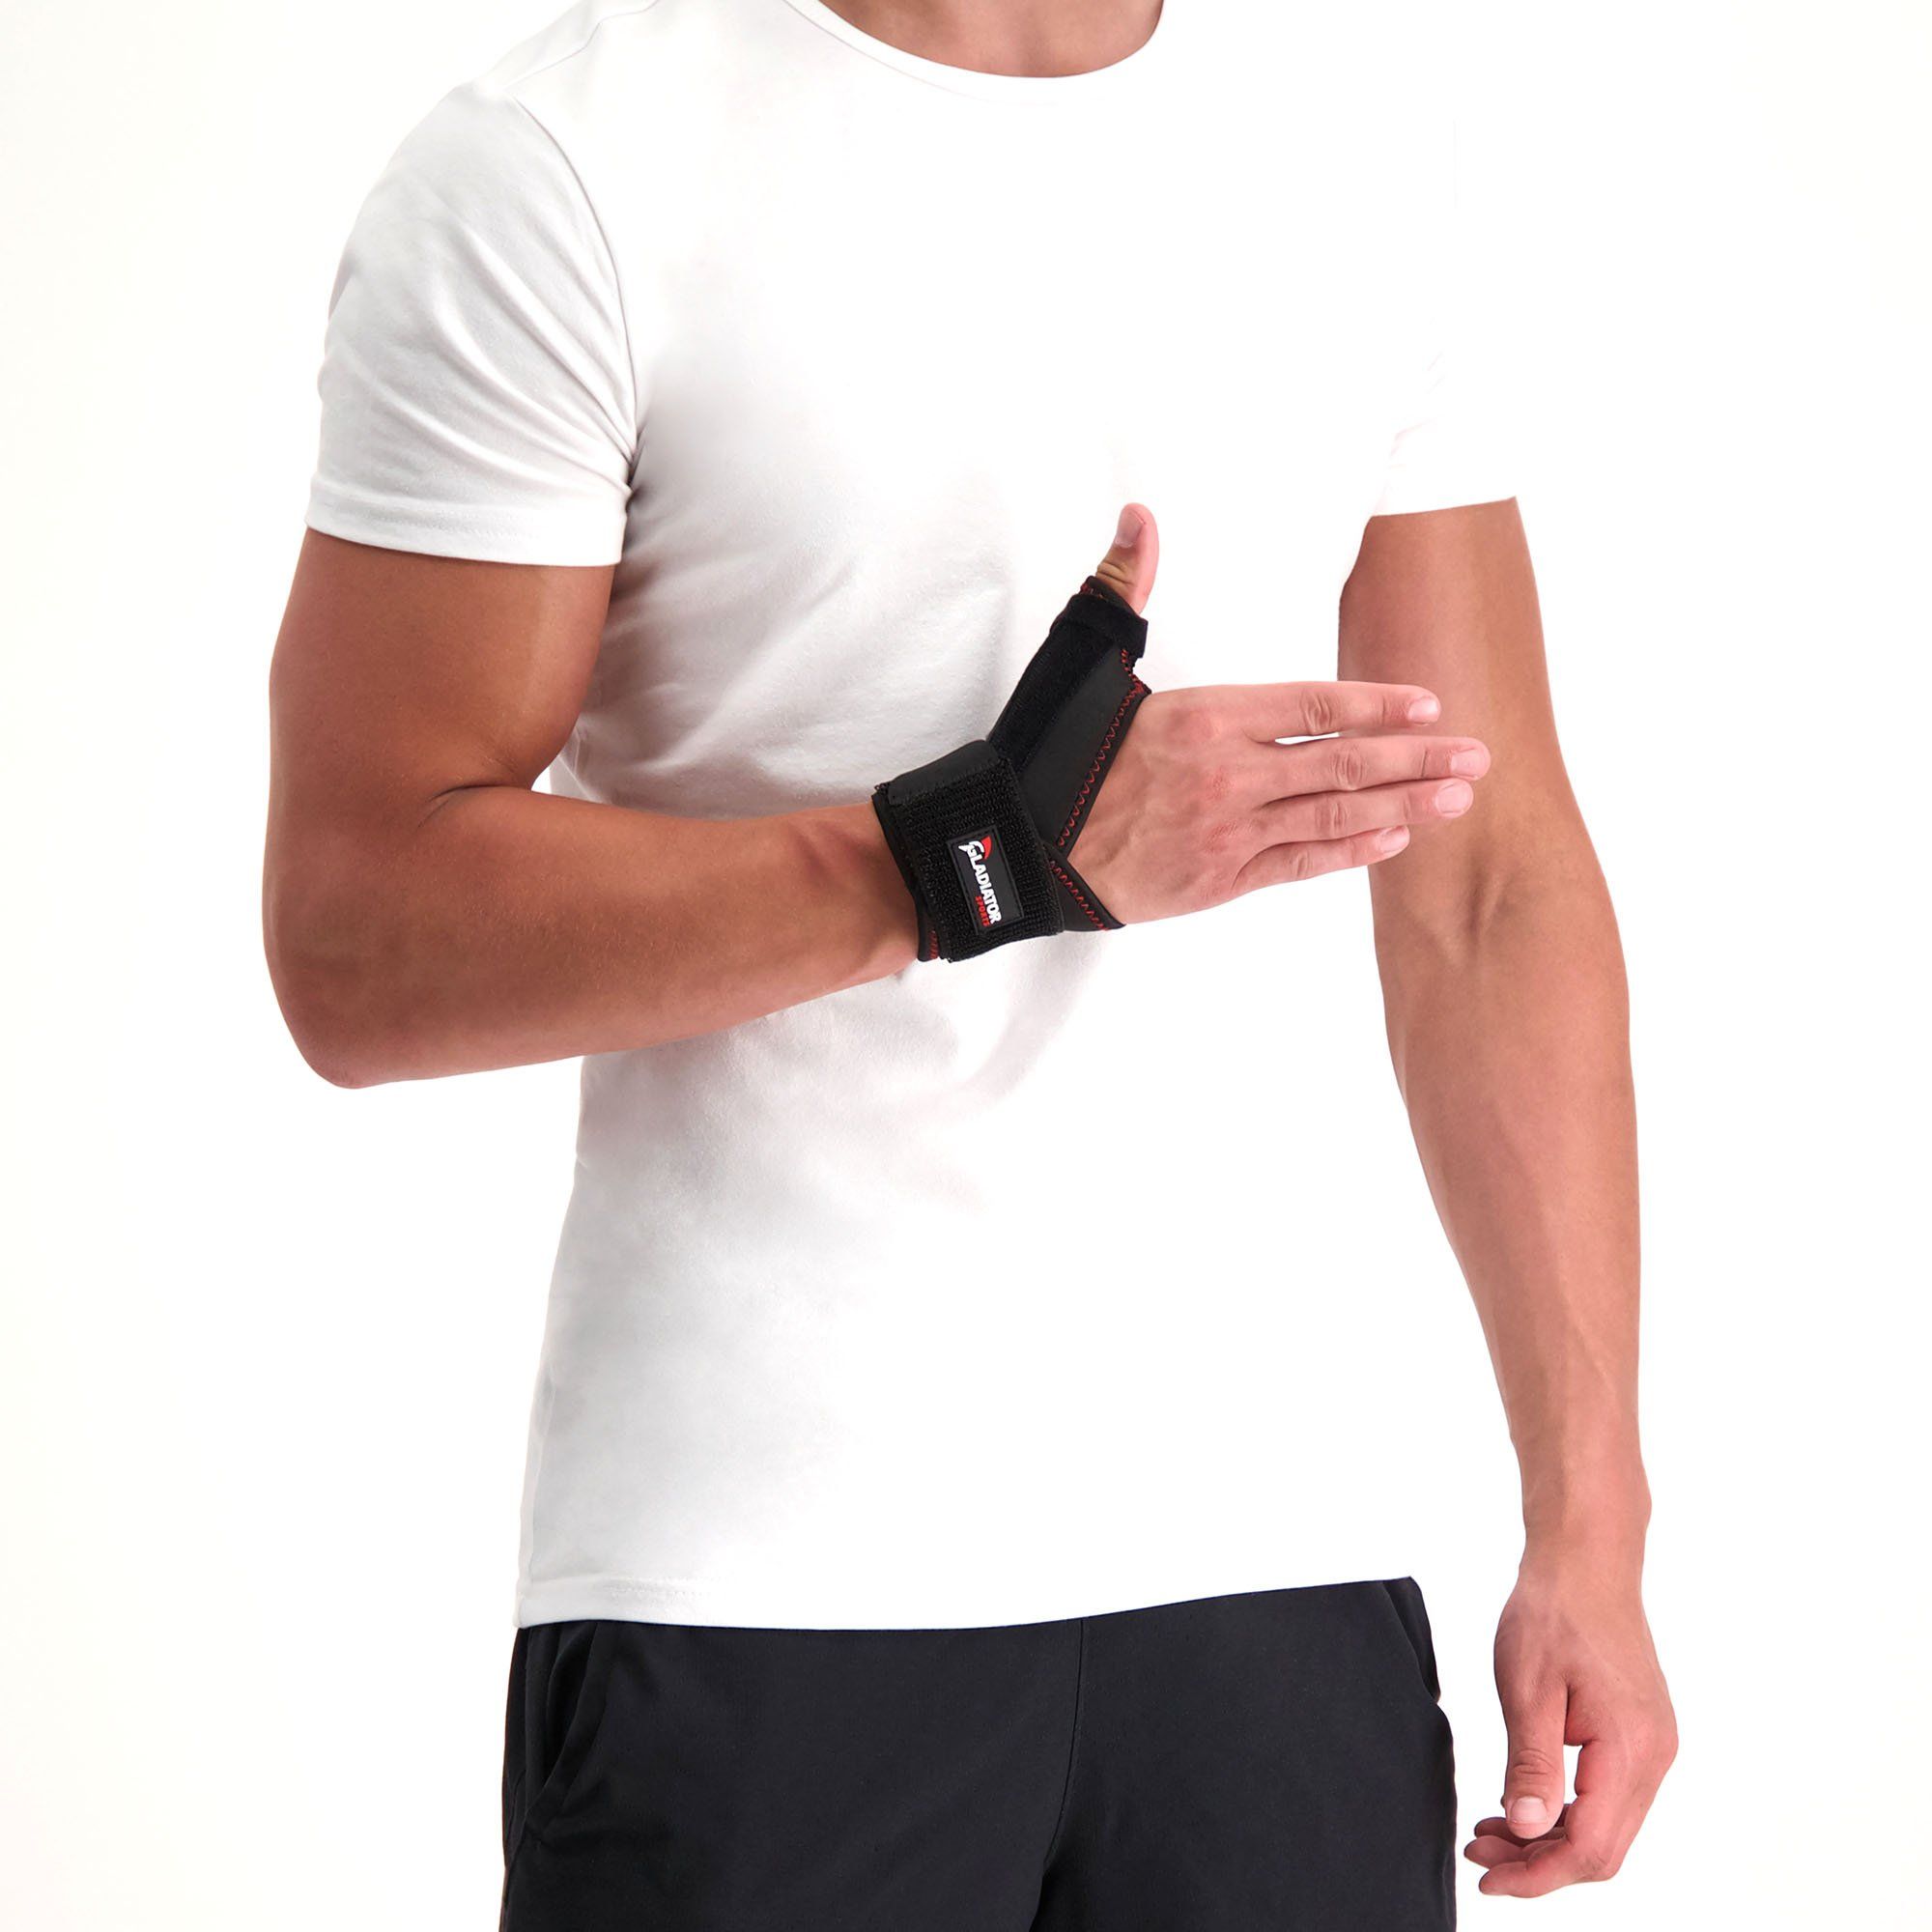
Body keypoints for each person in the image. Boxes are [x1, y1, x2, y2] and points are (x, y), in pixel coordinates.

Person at [263, 1, 1676, 1924]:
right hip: (764, 1578)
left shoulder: (1355, 152)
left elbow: (1487, 879)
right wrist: (976, 857)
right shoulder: (563, 170)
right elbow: (360, 934)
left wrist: (1591, 1516)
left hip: (1281, 1560)